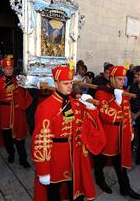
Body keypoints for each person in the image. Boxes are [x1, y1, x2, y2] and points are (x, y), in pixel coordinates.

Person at [31, 66, 106, 201]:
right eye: (65, 83)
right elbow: (40, 139)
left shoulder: (75, 103)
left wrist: (90, 107)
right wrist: (43, 170)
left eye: (71, 83)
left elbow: (89, 124)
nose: (69, 86)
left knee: (76, 188)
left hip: (76, 154)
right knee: (54, 190)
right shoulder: (45, 107)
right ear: (55, 84)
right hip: (56, 156)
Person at [94, 65, 140, 199]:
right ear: (111, 78)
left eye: (124, 79)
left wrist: (130, 130)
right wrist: (118, 101)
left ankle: (125, 188)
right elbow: (106, 115)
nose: (123, 82)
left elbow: (126, 113)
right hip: (107, 134)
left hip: (122, 133)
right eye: (120, 79)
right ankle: (100, 179)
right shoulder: (101, 93)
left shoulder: (123, 92)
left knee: (121, 164)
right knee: (101, 161)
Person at [0, 58, 32, 167]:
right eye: (7, 69)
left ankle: (23, 159)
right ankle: (11, 153)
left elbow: (26, 95)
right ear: (3, 69)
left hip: (18, 113)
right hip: (5, 113)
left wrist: (24, 88)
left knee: (20, 138)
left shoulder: (18, 80)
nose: (9, 70)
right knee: (7, 138)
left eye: (11, 68)